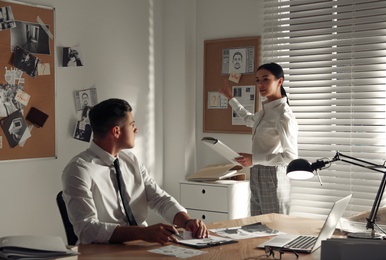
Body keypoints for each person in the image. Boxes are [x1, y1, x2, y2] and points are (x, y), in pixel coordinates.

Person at [62, 98, 208, 245]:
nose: (136, 129)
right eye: (132, 124)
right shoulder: (79, 170)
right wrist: (141, 232)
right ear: (116, 131)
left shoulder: (131, 161)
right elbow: (87, 230)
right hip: (103, 251)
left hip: (140, 246)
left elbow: (160, 199)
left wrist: (187, 221)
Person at [219, 62, 298, 216]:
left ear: (279, 81)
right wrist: (230, 98)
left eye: (265, 79)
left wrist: (254, 159)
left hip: (273, 174)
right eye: (257, 80)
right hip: (258, 172)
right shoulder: (266, 111)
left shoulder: (284, 115)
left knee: (274, 226)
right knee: (257, 225)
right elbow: (249, 120)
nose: (260, 84)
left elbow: (291, 157)